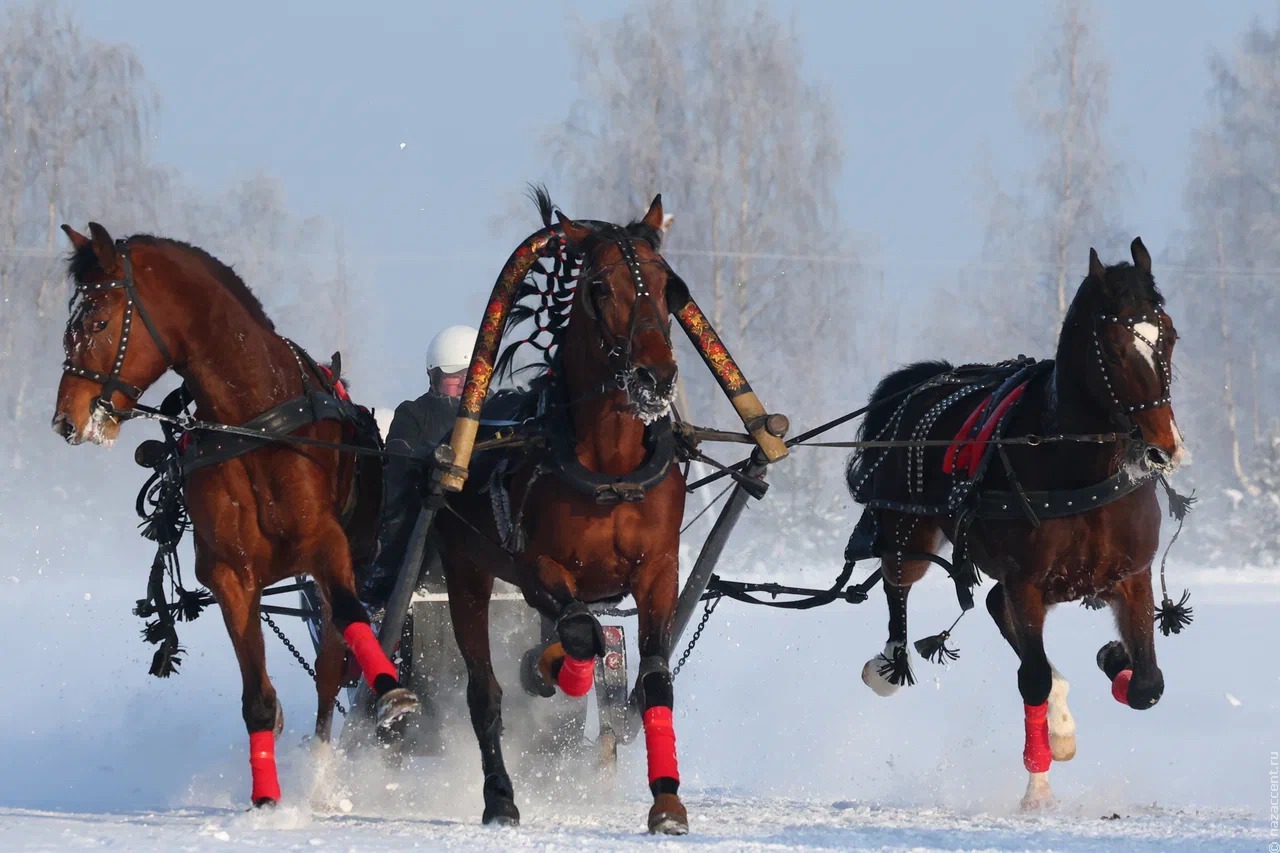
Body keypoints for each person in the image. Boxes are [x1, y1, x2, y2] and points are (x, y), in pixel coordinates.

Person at [361, 325, 478, 606]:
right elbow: (398, 461)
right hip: (427, 507)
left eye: (471, 376)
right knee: (403, 509)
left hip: (479, 507)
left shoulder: (498, 411)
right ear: (435, 377)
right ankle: (388, 583)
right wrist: (429, 462)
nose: (464, 383)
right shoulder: (414, 413)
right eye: (454, 376)